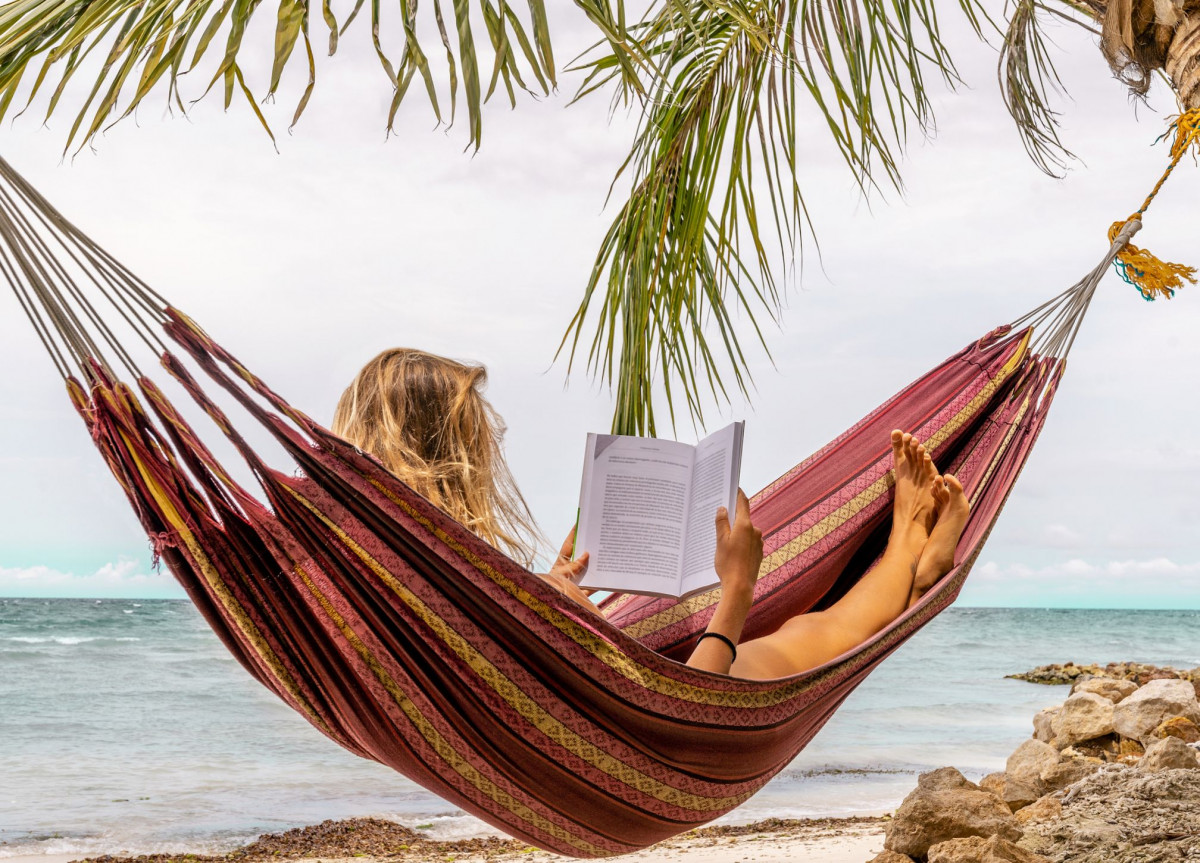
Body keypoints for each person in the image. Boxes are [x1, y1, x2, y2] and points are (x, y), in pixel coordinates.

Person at [332, 348, 970, 681]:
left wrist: (553, 588)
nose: (491, 447)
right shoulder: (450, 574)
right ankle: (908, 545)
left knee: (804, 632)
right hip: (647, 728)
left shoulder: (398, 564)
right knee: (807, 635)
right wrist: (738, 589)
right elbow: (694, 715)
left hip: (597, 716)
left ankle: (916, 572)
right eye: (479, 435)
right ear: (443, 451)